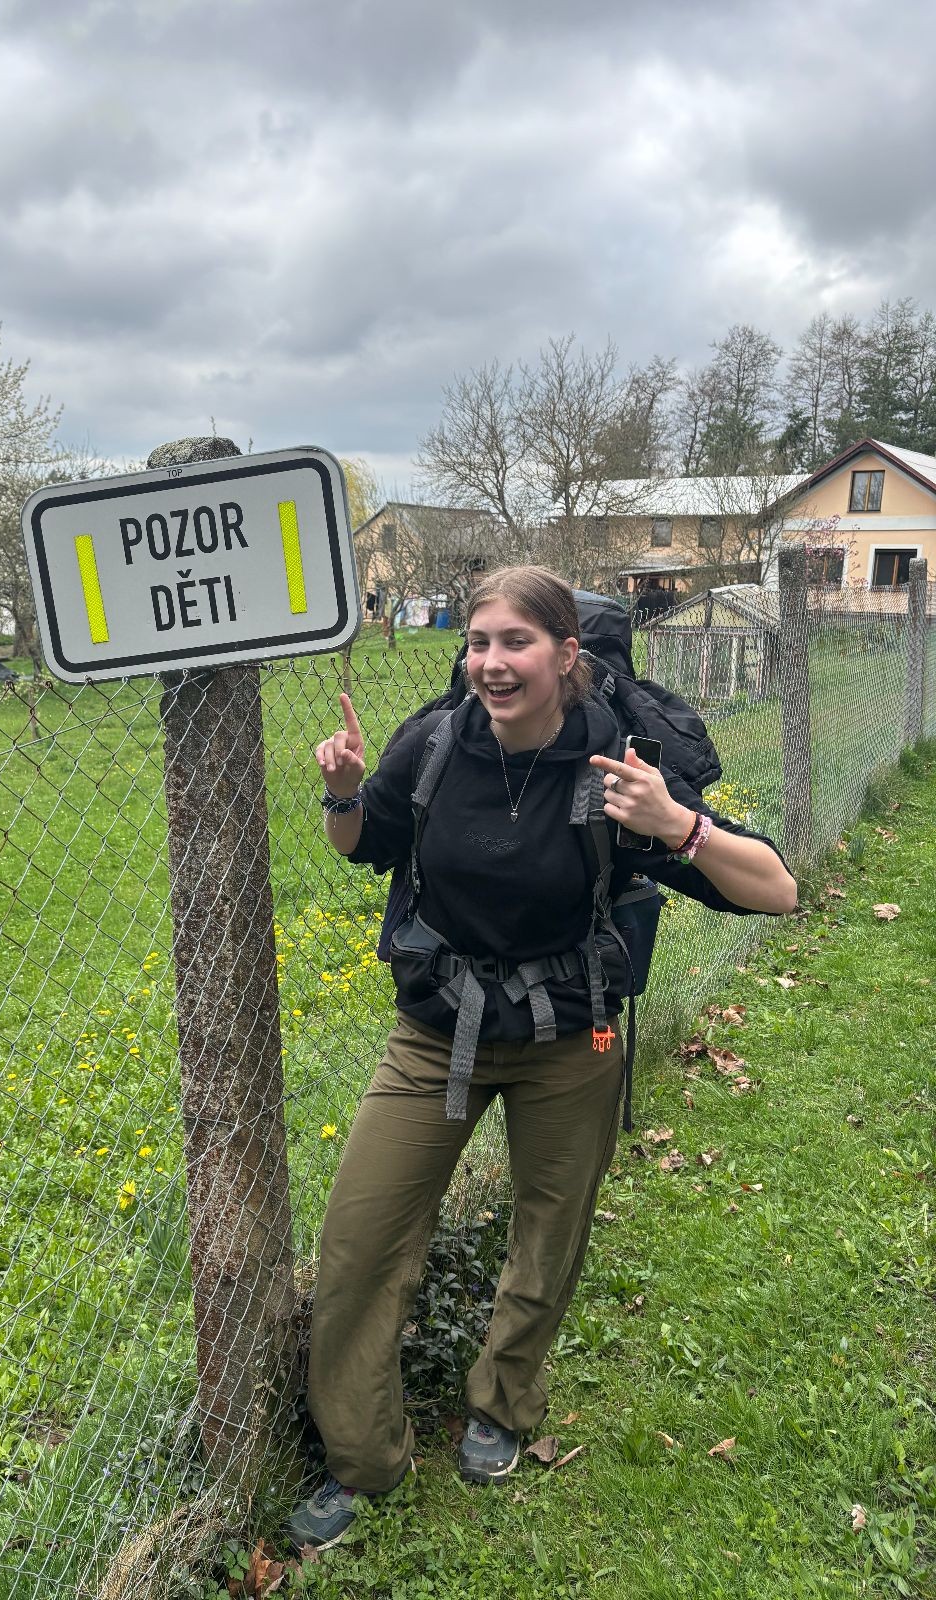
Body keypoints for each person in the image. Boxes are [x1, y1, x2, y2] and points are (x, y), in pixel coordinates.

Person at [287, 565, 796, 1552]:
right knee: (359, 1240)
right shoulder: (436, 745)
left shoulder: (619, 769)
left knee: (549, 1232)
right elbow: (364, 842)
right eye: (479, 642)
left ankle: (502, 1403)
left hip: (573, 1036)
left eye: (515, 642)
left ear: (566, 656)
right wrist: (341, 794)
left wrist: (676, 824)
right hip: (436, 1034)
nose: (491, 662)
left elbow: (776, 889)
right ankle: (363, 1455)